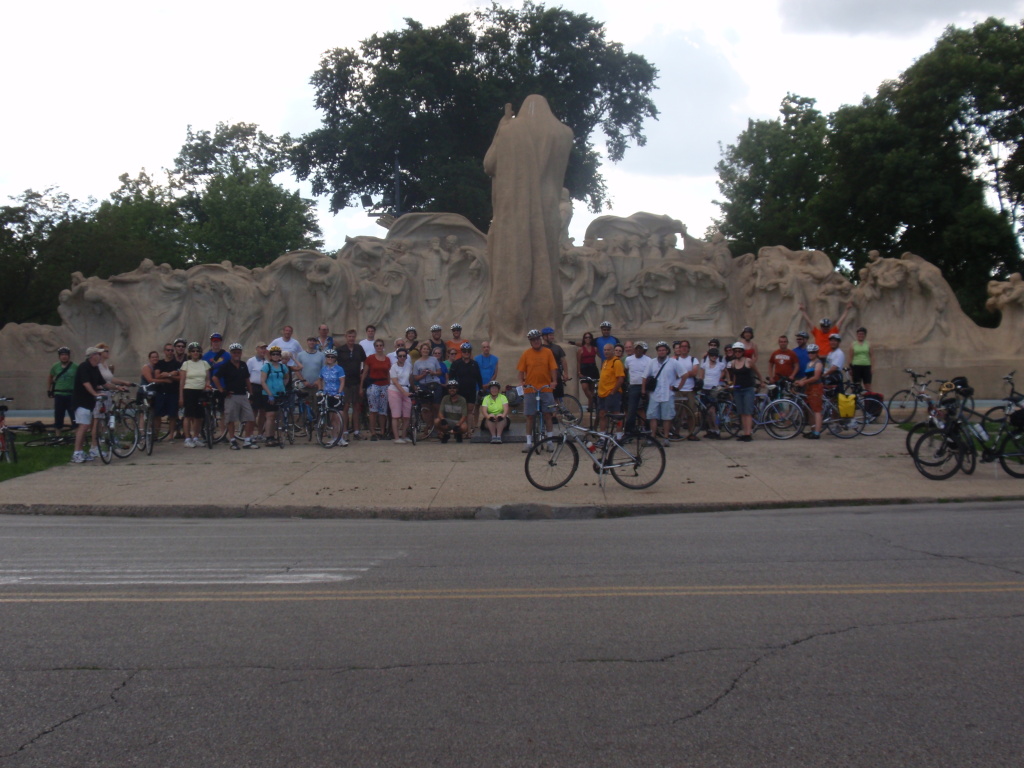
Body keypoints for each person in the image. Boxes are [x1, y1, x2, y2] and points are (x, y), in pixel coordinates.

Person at [517, 329, 559, 453]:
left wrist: (554, 381)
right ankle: (529, 442)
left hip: (545, 387)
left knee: (548, 414)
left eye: (537, 339)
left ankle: (550, 441)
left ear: (540, 340)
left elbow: (553, 368)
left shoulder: (548, 352)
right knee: (529, 415)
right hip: (531, 388)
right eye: (533, 340)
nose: (535, 341)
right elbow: (521, 371)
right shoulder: (526, 354)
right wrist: (522, 383)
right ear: (530, 342)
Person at [213, 343, 259, 450]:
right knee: (231, 419)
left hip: (243, 394)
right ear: (231, 354)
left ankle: (247, 440)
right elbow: (215, 378)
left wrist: (251, 393)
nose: (236, 354)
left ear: (241, 353)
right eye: (234, 353)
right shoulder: (226, 365)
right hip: (231, 395)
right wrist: (221, 390)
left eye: (238, 352)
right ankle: (232, 440)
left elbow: (247, 379)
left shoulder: (243, 365)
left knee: (250, 418)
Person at [70, 347, 107, 463]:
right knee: (83, 426)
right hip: (81, 402)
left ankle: (82, 451)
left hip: (89, 403)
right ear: (92, 356)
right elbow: (86, 383)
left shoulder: (95, 368)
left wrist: (119, 386)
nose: (101, 356)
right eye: (98, 354)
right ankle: (76, 452)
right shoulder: (83, 367)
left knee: (85, 426)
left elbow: (104, 383)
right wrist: (95, 393)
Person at [644, 341, 683, 447]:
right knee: (652, 416)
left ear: (667, 351)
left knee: (667, 417)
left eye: (663, 350)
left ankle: (666, 437)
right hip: (654, 394)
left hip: (667, 394)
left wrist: (677, 387)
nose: (661, 352)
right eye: (659, 350)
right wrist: (644, 390)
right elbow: (645, 376)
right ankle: (653, 437)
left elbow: (684, 375)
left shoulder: (673, 362)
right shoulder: (652, 362)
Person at [179, 342, 211, 448]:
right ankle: (187, 438)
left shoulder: (204, 364)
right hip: (189, 390)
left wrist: (207, 387)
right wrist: (181, 396)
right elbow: (182, 381)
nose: (195, 353)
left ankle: (196, 436)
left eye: (197, 351)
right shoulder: (186, 364)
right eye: (193, 351)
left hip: (200, 391)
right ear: (190, 353)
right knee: (188, 415)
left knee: (199, 416)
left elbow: (207, 379)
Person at [336, 329, 366, 440]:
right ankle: (345, 431)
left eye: (353, 336)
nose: (351, 338)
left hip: (356, 381)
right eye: (349, 336)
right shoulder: (340, 350)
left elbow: (365, 362)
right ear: (346, 337)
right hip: (345, 382)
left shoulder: (359, 349)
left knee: (356, 407)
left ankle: (357, 431)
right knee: (345, 406)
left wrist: (363, 375)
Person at [727, 341, 760, 442]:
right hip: (738, 389)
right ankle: (745, 432)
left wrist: (761, 381)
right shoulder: (732, 363)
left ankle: (748, 433)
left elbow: (756, 371)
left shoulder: (748, 361)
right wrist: (731, 385)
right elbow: (734, 376)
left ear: (742, 352)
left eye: (739, 351)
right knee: (741, 412)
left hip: (748, 389)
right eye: (735, 351)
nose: (737, 353)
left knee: (748, 412)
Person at [260, 345, 291, 446]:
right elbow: (263, 381)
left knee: (278, 415)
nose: (276, 356)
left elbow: (287, 378)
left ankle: (276, 436)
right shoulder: (266, 366)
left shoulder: (283, 367)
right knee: (270, 415)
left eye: (278, 354)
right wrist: (270, 394)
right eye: (273, 354)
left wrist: (282, 386)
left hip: (280, 394)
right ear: (270, 356)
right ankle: (269, 437)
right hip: (269, 394)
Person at [317, 349, 348, 446]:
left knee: (339, 417)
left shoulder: (339, 369)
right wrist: (320, 390)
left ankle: (341, 438)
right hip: (327, 394)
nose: (330, 358)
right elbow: (320, 379)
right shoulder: (323, 369)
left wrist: (339, 392)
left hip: (337, 395)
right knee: (332, 418)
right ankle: (334, 438)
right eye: (328, 357)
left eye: (332, 357)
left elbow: (342, 381)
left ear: (335, 358)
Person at [153, 342, 183, 441]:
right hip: (161, 391)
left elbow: (180, 378)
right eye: (168, 350)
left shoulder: (177, 364)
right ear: (164, 351)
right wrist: (170, 374)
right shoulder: (159, 363)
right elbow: (157, 375)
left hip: (173, 392)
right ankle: (156, 434)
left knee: (172, 415)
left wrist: (168, 375)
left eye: (171, 350)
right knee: (158, 414)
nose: (170, 352)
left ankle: (171, 436)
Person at [449, 342, 483, 428]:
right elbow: (451, 377)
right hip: (460, 390)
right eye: (464, 351)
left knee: (470, 410)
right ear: (461, 352)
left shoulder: (474, 364)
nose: (466, 353)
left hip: (471, 390)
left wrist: (481, 389)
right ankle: (461, 429)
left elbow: (478, 377)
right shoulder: (456, 363)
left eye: (468, 351)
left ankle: (469, 430)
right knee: (461, 411)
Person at [673, 340, 702, 441]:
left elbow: (694, 372)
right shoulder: (675, 360)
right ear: (679, 348)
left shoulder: (693, 360)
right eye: (682, 346)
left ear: (689, 348)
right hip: (678, 389)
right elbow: (673, 373)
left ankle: (691, 433)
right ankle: (676, 432)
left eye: (686, 346)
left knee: (691, 413)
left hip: (689, 389)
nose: (684, 348)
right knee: (677, 413)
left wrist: (681, 373)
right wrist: (685, 373)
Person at [363, 339, 392, 440]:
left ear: (383, 347)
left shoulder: (387, 359)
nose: (379, 347)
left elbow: (388, 373)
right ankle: (373, 432)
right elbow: (365, 372)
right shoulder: (370, 358)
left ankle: (382, 431)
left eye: (381, 345)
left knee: (383, 411)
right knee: (373, 410)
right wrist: (361, 386)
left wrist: (390, 385)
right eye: (377, 346)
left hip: (384, 385)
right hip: (373, 385)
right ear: (375, 347)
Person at [794, 343, 825, 439]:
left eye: (813, 352)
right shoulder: (809, 363)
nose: (810, 354)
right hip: (809, 387)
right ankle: (813, 430)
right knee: (811, 409)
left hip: (816, 387)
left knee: (817, 410)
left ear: (816, 353)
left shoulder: (818, 363)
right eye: (809, 352)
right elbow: (807, 376)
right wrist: (800, 381)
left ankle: (817, 432)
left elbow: (816, 377)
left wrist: (804, 382)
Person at [597, 342, 625, 436]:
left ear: (613, 351)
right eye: (605, 350)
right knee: (602, 414)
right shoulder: (605, 362)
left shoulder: (616, 362)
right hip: (602, 393)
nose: (606, 352)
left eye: (608, 350)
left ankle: (619, 435)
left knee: (616, 414)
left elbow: (620, 379)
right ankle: (603, 436)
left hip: (612, 393)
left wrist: (613, 391)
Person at [413, 341, 444, 428]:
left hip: (435, 384)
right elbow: (415, 377)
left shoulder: (434, 359)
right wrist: (423, 375)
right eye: (424, 349)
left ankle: (437, 427)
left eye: (427, 349)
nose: (425, 351)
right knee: (425, 408)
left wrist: (433, 373)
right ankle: (428, 427)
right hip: (424, 385)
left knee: (436, 406)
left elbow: (439, 372)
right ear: (420, 350)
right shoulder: (417, 363)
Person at [47, 346, 77, 432]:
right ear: (59, 356)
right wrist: (49, 390)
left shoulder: (75, 367)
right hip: (59, 394)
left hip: (71, 394)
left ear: (69, 356)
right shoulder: (55, 366)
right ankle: (58, 434)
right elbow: (50, 377)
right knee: (58, 415)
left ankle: (76, 434)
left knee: (74, 415)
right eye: (62, 355)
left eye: (66, 355)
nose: (64, 356)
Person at [623, 341, 651, 434]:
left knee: (646, 409)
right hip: (633, 386)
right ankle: (629, 430)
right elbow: (626, 370)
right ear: (634, 350)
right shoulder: (628, 359)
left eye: (640, 349)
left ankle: (646, 428)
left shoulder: (648, 360)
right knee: (631, 409)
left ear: (643, 350)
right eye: (637, 348)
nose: (638, 350)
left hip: (645, 386)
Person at [699, 346, 726, 438]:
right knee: (706, 411)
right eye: (712, 355)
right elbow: (701, 375)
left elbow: (725, 372)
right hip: (705, 388)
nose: (714, 357)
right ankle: (710, 429)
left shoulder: (720, 365)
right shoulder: (705, 364)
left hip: (714, 389)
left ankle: (716, 429)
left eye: (716, 355)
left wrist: (721, 382)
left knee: (712, 410)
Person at [388, 346, 414, 443]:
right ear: (397, 357)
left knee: (406, 415)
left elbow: (410, 378)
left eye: (404, 356)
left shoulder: (409, 366)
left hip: (406, 388)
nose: (402, 357)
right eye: (400, 356)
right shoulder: (393, 367)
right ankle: (396, 437)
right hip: (395, 390)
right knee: (396, 415)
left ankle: (404, 435)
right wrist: (404, 393)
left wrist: (413, 389)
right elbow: (395, 381)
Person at [246, 342, 269, 439]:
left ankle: (260, 433)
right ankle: (250, 433)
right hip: (254, 387)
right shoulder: (251, 361)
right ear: (257, 349)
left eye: (264, 349)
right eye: (261, 348)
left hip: (264, 388)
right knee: (253, 411)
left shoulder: (267, 362)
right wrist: (249, 390)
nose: (263, 351)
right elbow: (247, 376)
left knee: (263, 412)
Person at [572, 331, 599, 406]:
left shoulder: (595, 349)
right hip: (584, 369)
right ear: (584, 339)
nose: (588, 339)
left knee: (592, 389)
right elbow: (578, 362)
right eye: (586, 337)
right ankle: (592, 400)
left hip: (593, 368)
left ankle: (590, 407)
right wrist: (579, 372)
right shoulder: (581, 349)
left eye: (589, 337)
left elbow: (600, 356)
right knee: (585, 387)